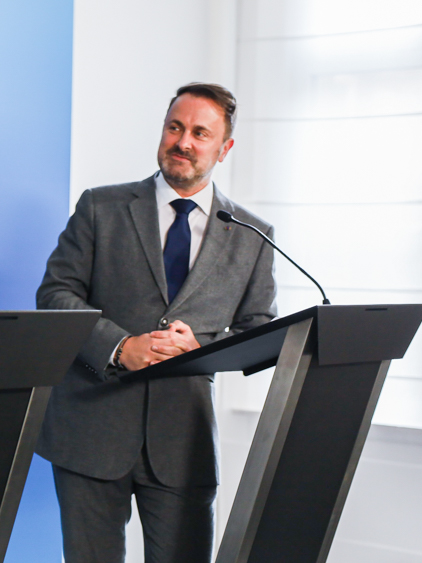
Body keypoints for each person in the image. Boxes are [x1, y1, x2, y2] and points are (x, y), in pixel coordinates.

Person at [36, 83, 277, 563]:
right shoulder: (100, 207)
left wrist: (201, 350)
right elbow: (54, 295)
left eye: (200, 133)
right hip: (90, 432)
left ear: (224, 148)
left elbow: (258, 333)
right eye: (175, 127)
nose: (183, 141)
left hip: (182, 445)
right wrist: (120, 346)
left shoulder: (252, 235)